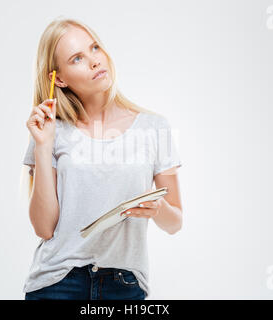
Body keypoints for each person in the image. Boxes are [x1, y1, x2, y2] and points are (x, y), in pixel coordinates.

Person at [22, 17, 183, 300]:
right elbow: (44, 228)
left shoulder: (154, 127)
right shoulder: (51, 131)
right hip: (58, 283)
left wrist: (158, 209)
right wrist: (43, 147)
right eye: (77, 58)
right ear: (58, 79)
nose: (95, 61)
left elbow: (175, 223)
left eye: (95, 48)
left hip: (125, 284)